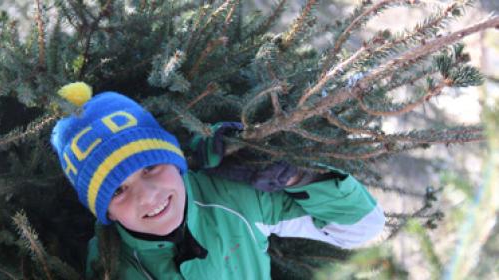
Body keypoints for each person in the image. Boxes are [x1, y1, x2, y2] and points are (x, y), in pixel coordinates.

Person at [50, 82, 385, 279]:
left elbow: (360, 228)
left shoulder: (232, 197)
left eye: (150, 168)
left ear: (175, 161)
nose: (148, 196)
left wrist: (293, 174)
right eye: (119, 190)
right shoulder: (110, 262)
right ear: (103, 211)